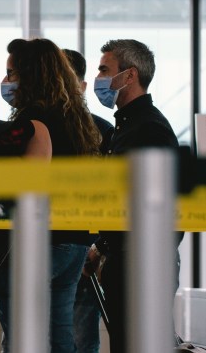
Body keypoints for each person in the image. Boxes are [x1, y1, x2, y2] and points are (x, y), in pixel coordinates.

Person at [0, 37, 102, 353]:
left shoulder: (34, 120)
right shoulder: (76, 120)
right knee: (60, 336)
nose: (7, 81)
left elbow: (27, 185)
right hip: (74, 239)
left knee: (23, 338)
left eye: (12, 73)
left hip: (41, 240)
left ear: (31, 75)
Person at [83, 39, 181, 353]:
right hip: (127, 259)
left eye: (104, 69)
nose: (98, 77)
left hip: (143, 262)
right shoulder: (126, 128)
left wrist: (104, 245)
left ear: (129, 76)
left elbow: (152, 206)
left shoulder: (148, 129)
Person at [63, 48, 114, 353]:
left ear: (81, 86)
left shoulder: (102, 132)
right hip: (39, 249)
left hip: (83, 251)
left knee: (81, 338)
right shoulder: (27, 131)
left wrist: (97, 247)